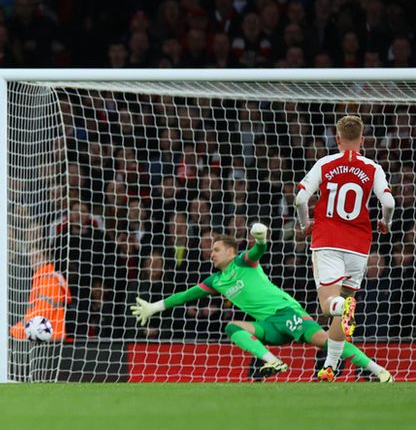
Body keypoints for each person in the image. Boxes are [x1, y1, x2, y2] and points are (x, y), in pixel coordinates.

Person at [131, 223, 392, 382]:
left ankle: (378, 370)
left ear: (231, 252)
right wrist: (155, 307)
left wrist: (260, 239)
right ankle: (272, 361)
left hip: (286, 312)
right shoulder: (216, 281)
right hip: (269, 326)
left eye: (216, 250)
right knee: (233, 328)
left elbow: (258, 251)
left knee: (326, 341)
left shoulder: (243, 261)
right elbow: (185, 296)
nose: (211, 254)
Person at [294, 115, 395, 380]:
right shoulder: (373, 168)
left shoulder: (325, 164)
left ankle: (339, 317)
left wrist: (305, 224)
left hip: (327, 241)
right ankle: (331, 366)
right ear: (362, 139)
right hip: (359, 245)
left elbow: (300, 198)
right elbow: (389, 202)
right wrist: (385, 222)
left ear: (337, 139)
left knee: (330, 306)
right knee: (346, 303)